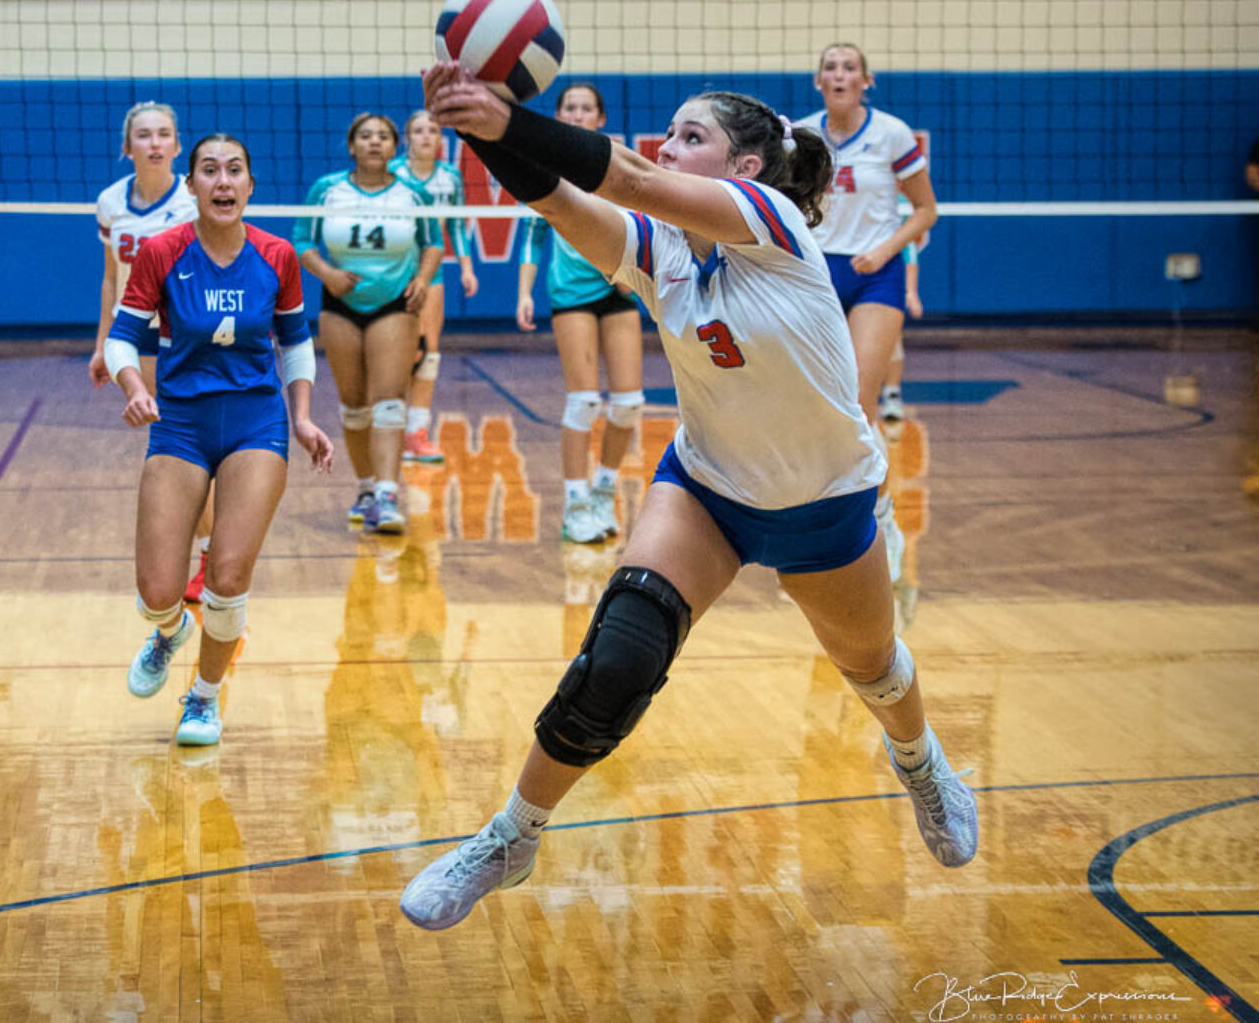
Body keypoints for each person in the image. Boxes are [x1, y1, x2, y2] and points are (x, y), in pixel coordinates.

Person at [398, 63, 979, 932]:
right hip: (707, 488)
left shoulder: (772, 223)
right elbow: (560, 202)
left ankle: (923, 763)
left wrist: (507, 114)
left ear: (744, 170)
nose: (667, 148)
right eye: (668, 135)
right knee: (619, 659)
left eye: (691, 138)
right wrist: (488, 136)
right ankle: (511, 836)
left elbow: (626, 175)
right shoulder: (659, 248)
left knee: (875, 670)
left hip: (825, 501)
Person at [105, 133, 335, 746]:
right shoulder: (162, 252)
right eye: (209, 171)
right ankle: (168, 631)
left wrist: (304, 417)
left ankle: (203, 699)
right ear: (192, 185)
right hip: (179, 423)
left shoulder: (277, 255)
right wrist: (132, 385)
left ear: (251, 186)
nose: (223, 182)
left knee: (228, 576)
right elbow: (122, 336)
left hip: (257, 421)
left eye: (235, 170)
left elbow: (297, 342)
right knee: (158, 594)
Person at [799, 44, 935, 578]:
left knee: (858, 405)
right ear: (818, 81)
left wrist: (885, 249)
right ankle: (821, 526)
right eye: (830, 67)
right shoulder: (803, 136)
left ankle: (882, 520)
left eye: (848, 67)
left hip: (877, 273)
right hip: (815, 278)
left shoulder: (892, 134)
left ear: (866, 80)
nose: (839, 74)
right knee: (814, 408)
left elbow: (927, 210)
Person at [88, 103, 215, 601]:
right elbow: (109, 278)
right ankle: (200, 552)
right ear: (128, 147)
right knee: (169, 445)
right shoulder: (110, 201)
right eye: (144, 135)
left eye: (165, 134)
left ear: (178, 147)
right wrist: (103, 344)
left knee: (187, 446)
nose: (155, 143)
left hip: (184, 334)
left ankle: (208, 554)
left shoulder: (193, 201)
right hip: (134, 331)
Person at [295, 113, 444, 534]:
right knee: (355, 407)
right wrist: (327, 274)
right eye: (365, 135)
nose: (374, 142)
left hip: (394, 304)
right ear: (352, 145)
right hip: (340, 303)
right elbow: (302, 240)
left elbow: (433, 243)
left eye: (382, 136)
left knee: (390, 400)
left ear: (394, 146)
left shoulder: (414, 195)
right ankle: (365, 490)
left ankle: (387, 495)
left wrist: (422, 279)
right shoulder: (327, 189)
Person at [515, 84, 645, 545]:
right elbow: (532, 236)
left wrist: (638, 271)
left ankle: (603, 491)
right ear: (557, 115)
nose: (577, 113)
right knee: (584, 401)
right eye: (569, 106)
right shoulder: (543, 167)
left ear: (600, 117)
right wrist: (524, 292)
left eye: (586, 107)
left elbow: (641, 222)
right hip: (570, 292)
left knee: (629, 405)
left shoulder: (619, 163)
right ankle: (575, 504)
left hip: (618, 285)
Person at [391, 110, 479, 463]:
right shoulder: (392, 174)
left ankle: (416, 433)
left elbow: (457, 226)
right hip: (393, 271)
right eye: (419, 130)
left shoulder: (450, 177)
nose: (427, 136)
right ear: (407, 137)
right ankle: (390, 429)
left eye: (433, 130)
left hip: (434, 269)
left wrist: (467, 268)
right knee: (397, 353)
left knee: (428, 353)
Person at [878, 195, 928, 425]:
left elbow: (909, 254)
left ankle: (892, 394)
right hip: (850, 281)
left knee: (892, 343)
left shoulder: (896, 220)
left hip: (885, 287)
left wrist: (911, 292)